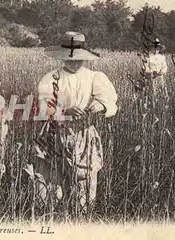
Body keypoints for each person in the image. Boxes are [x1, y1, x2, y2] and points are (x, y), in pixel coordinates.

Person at [34, 31, 118, 213]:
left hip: (84, 134)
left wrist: (100, 106)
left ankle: (80, 218)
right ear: (62, 58)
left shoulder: (94, 77)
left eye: (77, 58)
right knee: (50, 181)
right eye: (69, 59)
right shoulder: (51, 78)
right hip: (55, 133)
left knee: (84, 182)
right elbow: (42, 107)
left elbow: (110, 102)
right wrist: (63, 111)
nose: (73, 62)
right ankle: (51, 216)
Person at [143, 38, 168, 102]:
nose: (156, 50)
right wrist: (151, 72)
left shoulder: (162, 57)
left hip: (159, 77)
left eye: (157, 49)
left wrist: (162, 72)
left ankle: (161, 104)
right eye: (155, 48)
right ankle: (151, 105)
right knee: (152, 93)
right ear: (152, 48)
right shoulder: (148, 57)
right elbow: (145, 67)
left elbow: (165, 67)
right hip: (151, 77)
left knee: (161, 92)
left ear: (159, 49)